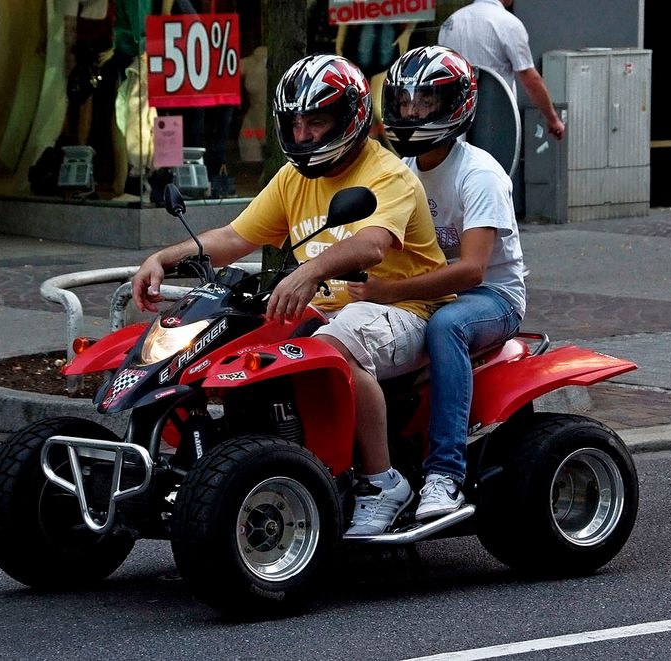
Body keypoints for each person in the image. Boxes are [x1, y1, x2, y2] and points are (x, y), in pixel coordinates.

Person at [131, 54, 451, 536]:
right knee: (231, 346)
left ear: (350, 119)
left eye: (316, 122)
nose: (303, 136)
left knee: (334, 349)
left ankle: (381, 481)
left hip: (401, 308)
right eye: (295, 123)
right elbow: (235, 238)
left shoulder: (387, 175)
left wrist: (310, 271)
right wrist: (163, 258)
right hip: (325, 311)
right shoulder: (293, 177)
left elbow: (373, 242)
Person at [365, 45, 526, 520]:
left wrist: (387, 292)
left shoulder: (479, 174)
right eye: (406, 102)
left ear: (455, 104)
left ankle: (444, 477)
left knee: (446, 328)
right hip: (426, 292)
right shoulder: (403, 173)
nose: (412, 113)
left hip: (490, 297)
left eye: (426, 102)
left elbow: (474, 269)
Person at [438, 0, 564, 140]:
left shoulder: (451, 22)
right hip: (494, 118)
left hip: (454, 119)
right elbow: (530, 80)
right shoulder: (508, 23)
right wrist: (553, 119)